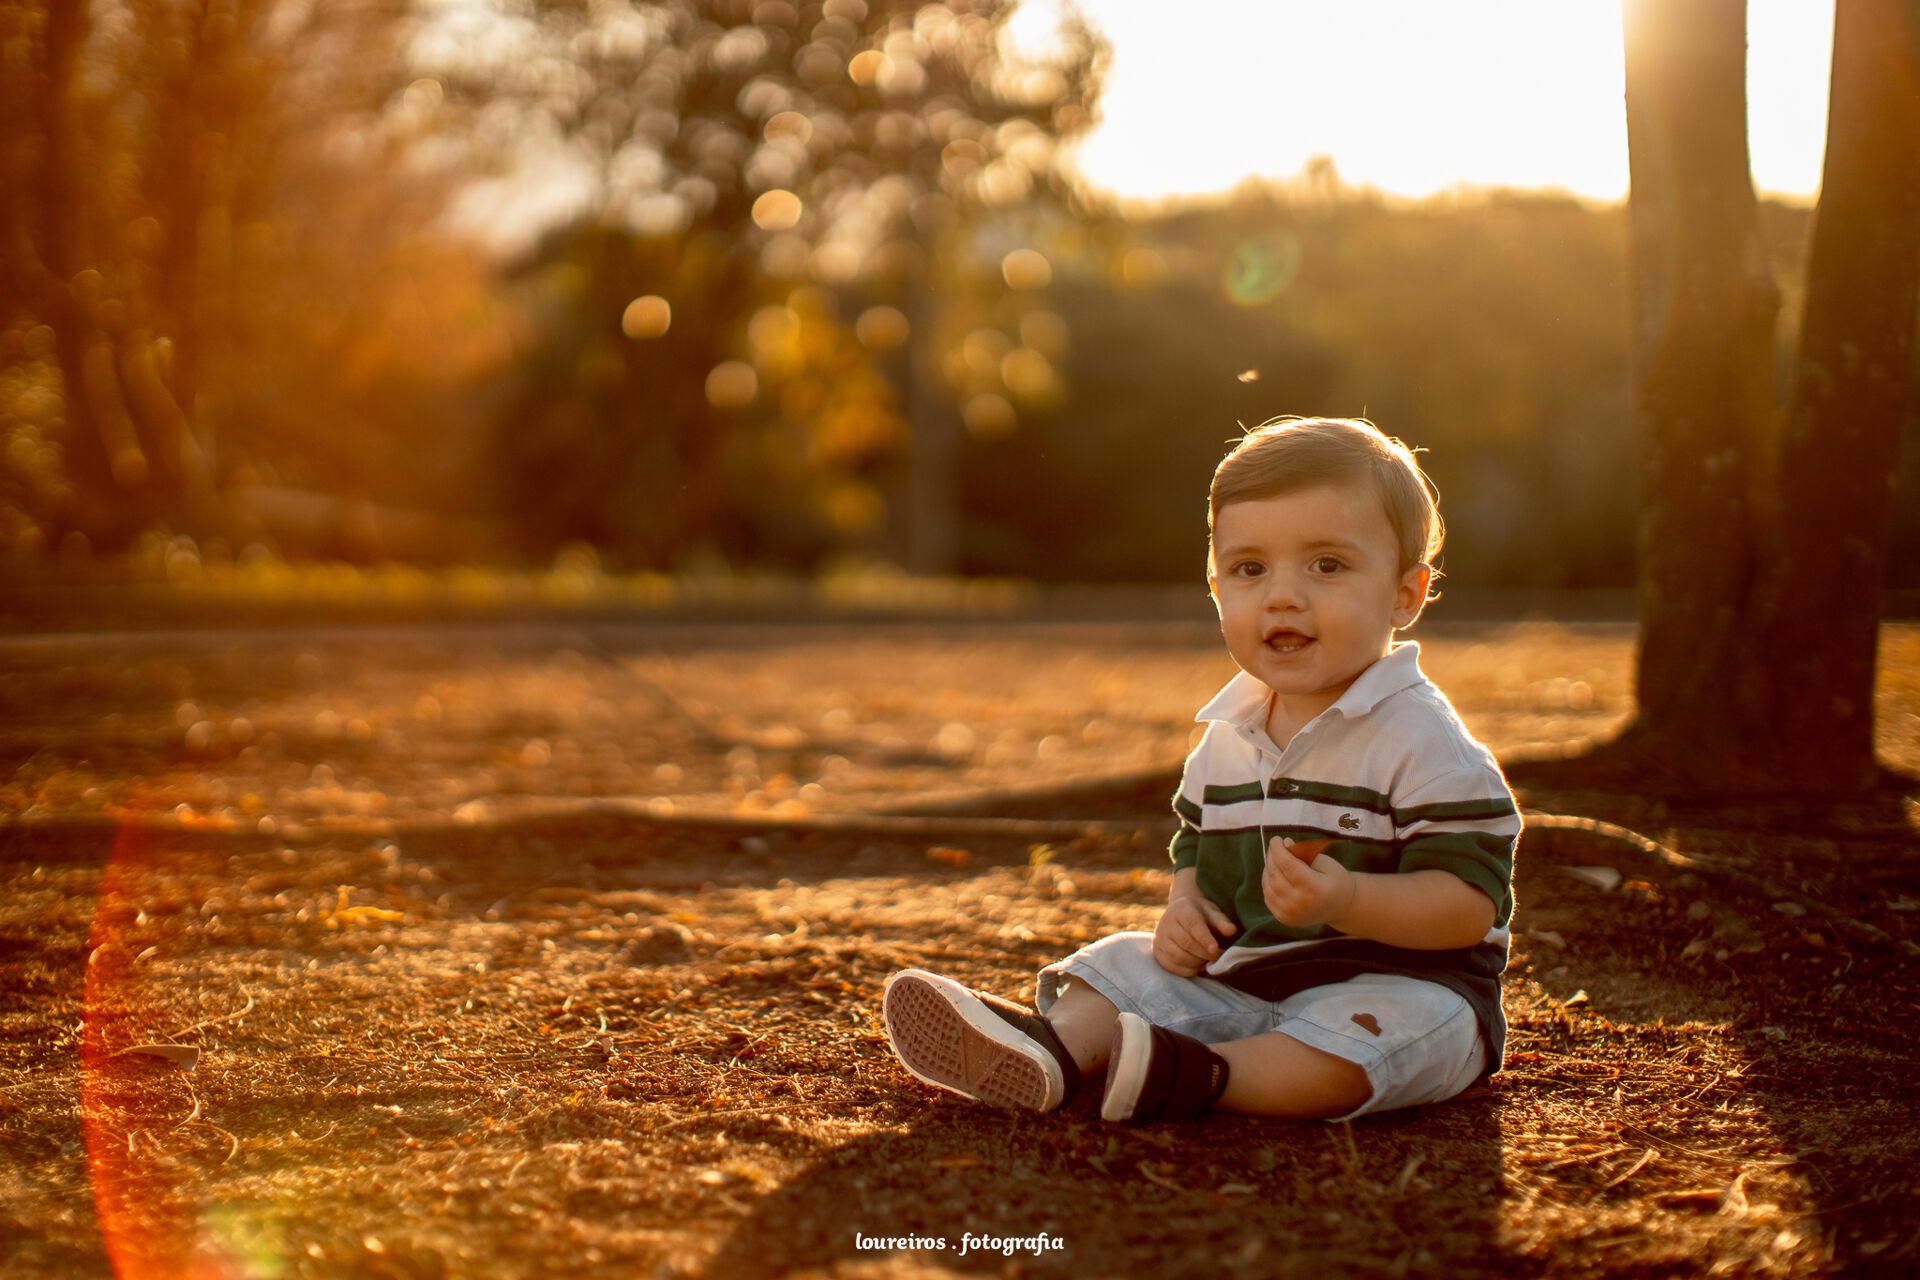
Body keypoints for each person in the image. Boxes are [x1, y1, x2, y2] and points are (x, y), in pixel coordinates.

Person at [881, 417, 1520, 1123]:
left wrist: (1348, 903)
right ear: (1216, 588)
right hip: (1245, 986)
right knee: (1122, 963)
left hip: (1400, 985)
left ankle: (1203, 1074)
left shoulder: (1422, 738)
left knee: (1373, 1041)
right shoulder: (1226, 736)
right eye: (1251, 569)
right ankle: (1054, 1053)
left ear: (1406, 593)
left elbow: (1470, 906)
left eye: (1327, 565)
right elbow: (1197, 849)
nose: (1282, 596)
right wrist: (1185, 909)